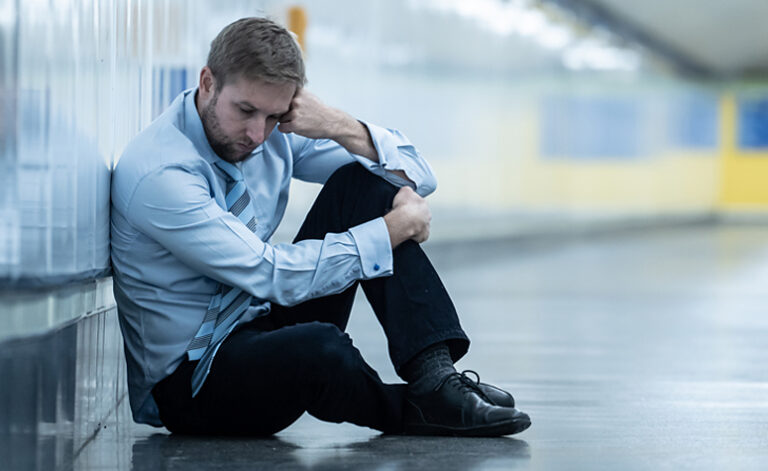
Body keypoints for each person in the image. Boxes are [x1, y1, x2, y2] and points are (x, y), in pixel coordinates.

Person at [111, 17, 531, 437]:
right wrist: (391, 230)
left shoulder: (272, 133)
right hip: (192, 381)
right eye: (246, 111)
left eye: (274, 116)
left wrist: (336, 124)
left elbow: (418, 177)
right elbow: (269, 273)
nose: (257, 134)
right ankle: (414, 409)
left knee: (364, 184)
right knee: (321, 348)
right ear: (207, 83)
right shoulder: (162, 173)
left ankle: (435, 376)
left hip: (256, 324)